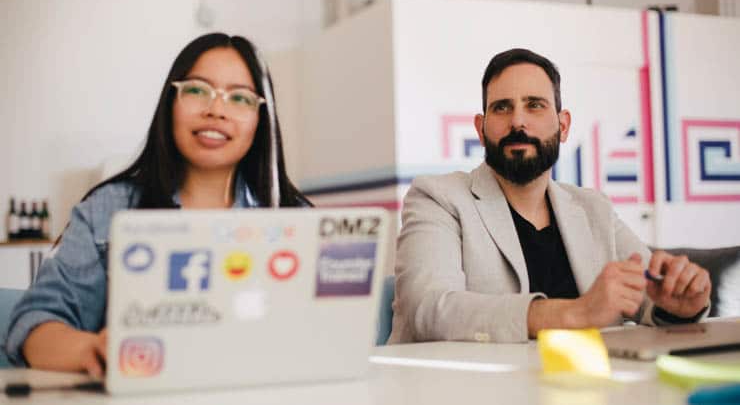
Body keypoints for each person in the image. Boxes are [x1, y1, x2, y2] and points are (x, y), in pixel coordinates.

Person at [3, 33, 311, 374]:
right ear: (170, 104)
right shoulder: (107, 210)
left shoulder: (297, 218)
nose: (216, 110)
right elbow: (34, 323)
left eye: (240, 98)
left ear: (260, 119)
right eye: (196, 90)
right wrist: (91, 349)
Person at [388, 48, 711, 344]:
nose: (518, 121)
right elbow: (428, 310)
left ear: (563, 125)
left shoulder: (592, 208)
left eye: (535, 105)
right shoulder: (438, 197)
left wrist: (678, 303)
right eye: (502, 108)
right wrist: (575, 314)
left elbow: (647, 296)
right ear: (481, 129)